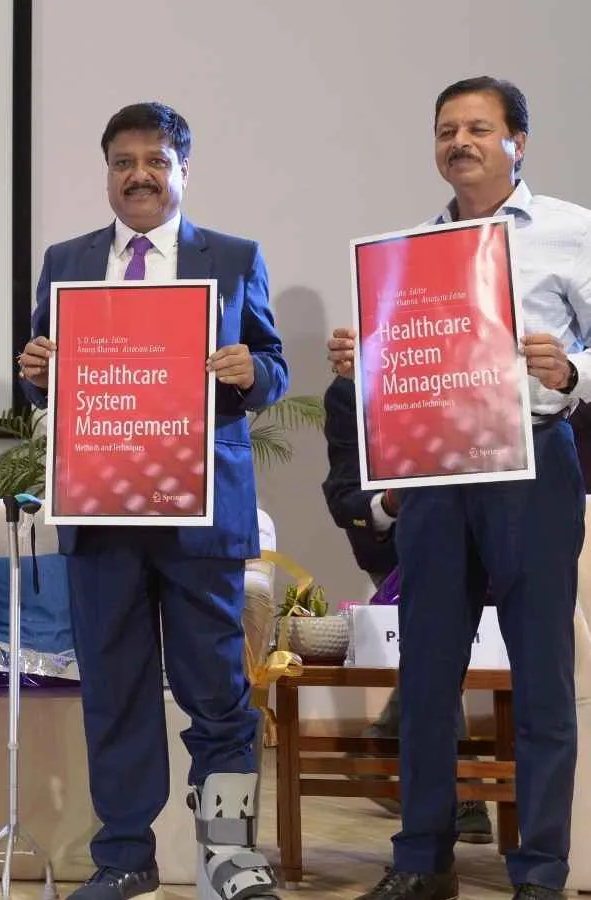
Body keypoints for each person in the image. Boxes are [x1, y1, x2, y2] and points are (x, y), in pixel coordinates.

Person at [328, 76, 590, 900]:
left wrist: (573, 369)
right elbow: (405, 368)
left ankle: (540, 870)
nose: (460, 142)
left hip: (532, 464)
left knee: (541, 677)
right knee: (429, 675)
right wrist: (364, 362)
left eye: (478, 127)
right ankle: (422, 859)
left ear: (519, 142)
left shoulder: (573, 231)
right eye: (447, 130)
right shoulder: (408, 251)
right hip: (437, 474)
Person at [18, 101, 287, 900]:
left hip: (200, 515)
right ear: (107, 172)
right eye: (123, 162)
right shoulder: (66, 260)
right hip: (100, 511)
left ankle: (228, 858)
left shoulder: (233, 257)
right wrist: (36, 370)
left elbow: (273, 367)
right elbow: (42, 380)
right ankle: (124, 858)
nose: (139, 175)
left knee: (219, 693)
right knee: (116, 693)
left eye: (156, 161)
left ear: (183, 171)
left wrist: (253, 372)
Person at [321, 375, 493, 842]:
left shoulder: (484, 371)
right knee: (438, 644)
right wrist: (395, 501)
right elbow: (345, 497)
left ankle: (386, 738)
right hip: (400, 548)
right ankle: (461, 789)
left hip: (492, 531)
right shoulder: (350, 390)